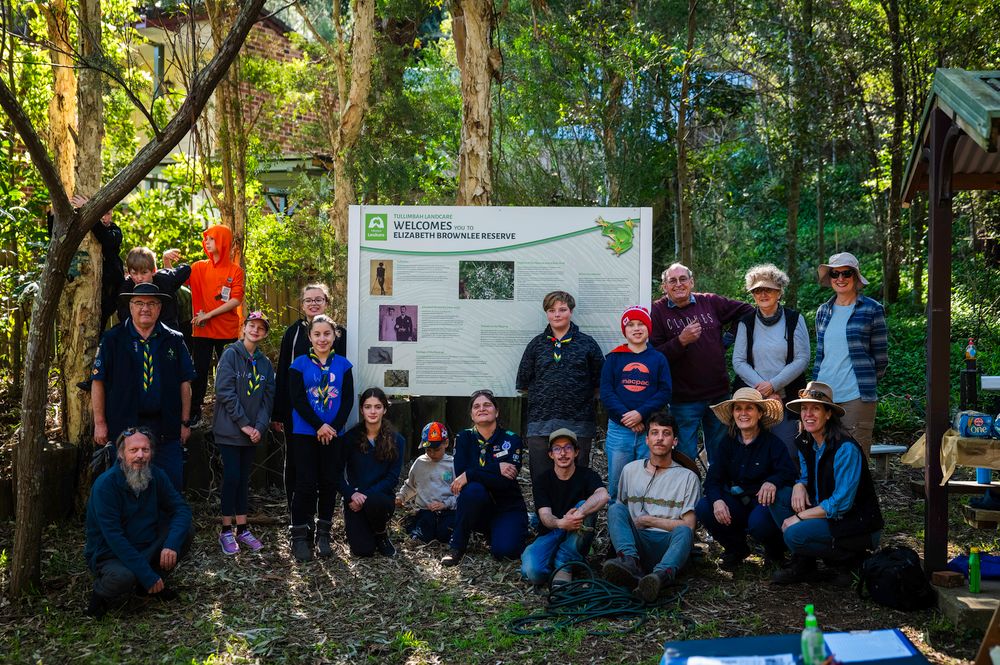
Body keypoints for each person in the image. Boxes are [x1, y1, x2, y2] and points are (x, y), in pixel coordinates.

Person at [770, 381, 885, 585]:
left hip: (856, 524)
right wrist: (798, 485)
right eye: (804, 409)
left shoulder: (845, 448)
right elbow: (806, 477)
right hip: (827, 512)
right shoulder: (806, 442)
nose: (808, 414)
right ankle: (804, 564)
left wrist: (799, 516)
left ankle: (851, 560)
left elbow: (841, 504)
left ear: (828, 414)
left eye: (816, 408)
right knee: (778, 497)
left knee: (794, 534)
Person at [92, 283, 195, 492]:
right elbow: (98, 381)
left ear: (159, 308)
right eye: (139, 303)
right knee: (125, 487)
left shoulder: (174, 340)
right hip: (125, 426)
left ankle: (167, 524)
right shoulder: (113, 339)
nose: (145, 308)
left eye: (151, 303)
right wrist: (100, 422)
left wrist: (185, 421)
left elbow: (186, 382)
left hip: (166, 426)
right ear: (130, 307)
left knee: (170, 483)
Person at [650, 263, 754, 464]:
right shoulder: (657, 311)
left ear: (691, 282)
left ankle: (715, 492)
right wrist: (680, 342)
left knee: (720, 452)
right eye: (672, 280)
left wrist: (727, 339)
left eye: (683, 279)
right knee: (685, 454)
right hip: (683, 399)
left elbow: (747, 310)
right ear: (664, 286)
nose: (678, 284)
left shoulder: (709, 302)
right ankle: (689, 493)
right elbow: (655, 356)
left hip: (718, 394)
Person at [84, 428, 193, 618]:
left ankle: (147, 586)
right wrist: (146, 574)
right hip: (111, 553)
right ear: (121, 454)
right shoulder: (105, 486)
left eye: (145, 450)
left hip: (146, 543)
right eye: (133, 450)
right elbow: (114, 537)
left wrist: (171, 544)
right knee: (124, 577)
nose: (140, 456)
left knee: (185, 532)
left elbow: (180, 509)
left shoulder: (156, 475)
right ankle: (100, 594)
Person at [602, 411, 701, 603]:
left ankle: (658, 578)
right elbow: (621, 516)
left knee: (684, 532)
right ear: (647, 440)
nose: (660, 438)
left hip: (667, 545)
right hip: (636, 544)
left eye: (666, 433)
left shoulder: (688, 477)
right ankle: (629, 564)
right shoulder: (630, 470)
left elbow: (689, 525)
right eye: (655, 433)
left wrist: (650, 520)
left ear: (675, 441)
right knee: (615, 509)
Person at [695, 388, 797, 570]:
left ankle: (775, 552)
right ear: (733, 414)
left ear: (759, 413)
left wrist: (772, 481)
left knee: (759, 523)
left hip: (763, 505)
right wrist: (718, 501)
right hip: (736, 503)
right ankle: (736, 548)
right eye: (738, 408)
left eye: (749, 408)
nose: (743, 413)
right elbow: (712, 480)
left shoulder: (773, 444)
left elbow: (789, 473)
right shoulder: (727, 444)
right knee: (704, 507)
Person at [272, 284, 346, 518]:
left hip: (329, 414)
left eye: (318, 299)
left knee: (327, 468)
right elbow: (283, 372)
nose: (313, 303)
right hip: (298, 414)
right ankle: (297, 516)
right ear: (302, 304)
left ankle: (323, 519)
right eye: (308, 300)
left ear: (327, 302)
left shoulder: (339, 333)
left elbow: (344, 373)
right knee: (295, 465)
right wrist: (278, 412)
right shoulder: (293, 334)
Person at [517, 290, 604, 488]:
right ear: (546, 313)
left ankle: (575, 517)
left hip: (578, 421)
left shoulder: (587, 344)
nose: (557, 314)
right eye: (552, 310)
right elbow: (524, 383)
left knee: (576, 476)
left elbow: (599, 381)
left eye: (562, 309)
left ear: (570, 312)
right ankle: (543, 518)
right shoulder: (536, 345)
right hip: (541, 422)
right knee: (541, 477)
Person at [442, 389, 528, 566]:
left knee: (505, 553)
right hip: (477, 504)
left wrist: (472, 474)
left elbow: (504, 482)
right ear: (472, 415)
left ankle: (495, 531)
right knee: (473, 489)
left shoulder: (511, 440)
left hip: (507, 505)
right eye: (476, 406)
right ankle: (457, 546)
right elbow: (461, 475)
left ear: (497, 412)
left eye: (487, 405)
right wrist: (497, 467)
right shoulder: (464, 437)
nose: (482, 408)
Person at [813, 252, 888, 455]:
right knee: (824, 456)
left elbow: (881, 358)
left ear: (855, 277)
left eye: (846, 273)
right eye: (835, 274)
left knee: (855, 457)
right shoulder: (823, 311)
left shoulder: (873, 309)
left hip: (856, 397)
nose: (840, 279)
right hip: (823, 396)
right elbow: (821, 356)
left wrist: (865, 381)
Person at [213, 312, 275, 555]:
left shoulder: (265, 364)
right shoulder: (230, 355)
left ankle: (243, 528)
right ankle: (226, 531)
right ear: (244, 328)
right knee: (231, 477)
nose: (255, 330)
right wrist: (244, 424)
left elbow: (267, 399)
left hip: (252, 434)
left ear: (265, 333)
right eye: (252, 325)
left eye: (261, 328)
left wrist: (259, 427)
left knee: (243, 479)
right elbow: (224, 392)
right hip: (230, 431)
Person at [732, 264, 810, 457]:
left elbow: (802, 358)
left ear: (779, 292)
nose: (763, 294)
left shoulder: (794, 319)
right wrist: (763, 390)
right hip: (753, 399)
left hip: (786, 397)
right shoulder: (746, 321)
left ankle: (787, 487)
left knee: (788, 450)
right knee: (751, 451)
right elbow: (739, 361)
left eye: (768, 289)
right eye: (758, 290)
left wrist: (774, 385)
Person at [600, 305, 672, 504]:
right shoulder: (614, 358)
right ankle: (618, 521)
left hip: (648, 430)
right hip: (619, 430)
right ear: (625, 330)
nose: (636, 328)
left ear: (648, 328)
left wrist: (640, 414)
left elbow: (664, 391)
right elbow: (606, 392)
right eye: (631, 325)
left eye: (641, 324)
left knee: (647, 477)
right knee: (618, 480)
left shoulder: (658, 359)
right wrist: (628, 418)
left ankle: (644, 522)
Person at [520, 428, 608, 587]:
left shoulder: (588, 475)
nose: (563, 453)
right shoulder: (542, 480)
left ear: (576, 452)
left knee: (585, 504)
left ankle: (564, 560)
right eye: (557, 449)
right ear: (550, 454)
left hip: (577, 535)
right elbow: (545, 516)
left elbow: (603, 496)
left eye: (568, 448)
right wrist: (561, 523)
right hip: (552, 532)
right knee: (533, 573)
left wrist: (579, 513)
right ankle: (555, 562)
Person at [187, 225, 245, 425]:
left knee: (230, 373)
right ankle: (195, 413)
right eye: (207, 239)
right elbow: (173, 278)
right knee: (199, 372)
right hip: (202, 331)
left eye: (211, 239)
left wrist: (208, 315)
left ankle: (233, 412)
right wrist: (168, 260)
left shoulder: (235, 270)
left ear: (222, 241)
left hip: (226, 331)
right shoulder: (198, 267)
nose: (207, 242)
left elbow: (235, 300)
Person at [338, 388, 404, 557]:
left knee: (374, 501)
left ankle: (381, 533)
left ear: (385, 409)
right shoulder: (349, 438)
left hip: (379, 499)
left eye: (377, 406)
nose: (373, 411)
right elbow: (336, 473)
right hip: (354, 499)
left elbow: (392, 478)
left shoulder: (397, 440)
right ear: (362, 410)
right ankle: (367, 530)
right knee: (363, 550)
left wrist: (364, 496)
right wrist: (350, 494)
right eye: (368, 407)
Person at [68, 194, 124, 331]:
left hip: (112, 289)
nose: (105, 218)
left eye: (108, 213)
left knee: (100, 322)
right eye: (101, 214)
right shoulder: (79, 226)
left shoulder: (115, 231)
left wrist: (89, 209)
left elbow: (106, 239)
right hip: (84, 284)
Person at [396, 421, 457, 544]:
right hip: (426, 509)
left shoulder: (452, 464)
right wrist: (401, 496)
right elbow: (411, 485)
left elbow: (459, 494)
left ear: (446, 443)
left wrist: (445, 504)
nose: (432, 454)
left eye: (436, 449)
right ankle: (416, 534)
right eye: (428, 450)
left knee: (444, 534)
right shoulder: (420, 463)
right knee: (424, 529)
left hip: (447, 510)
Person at [116, 246, 191, 332]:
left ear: (153, 271)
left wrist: (166, 260)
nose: (139, 278)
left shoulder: (165, 279)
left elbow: (186, 268)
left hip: (166, 333)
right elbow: (124, 317)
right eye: (134, 273)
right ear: (129, 273)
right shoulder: (125, 288)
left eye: (144, 272)